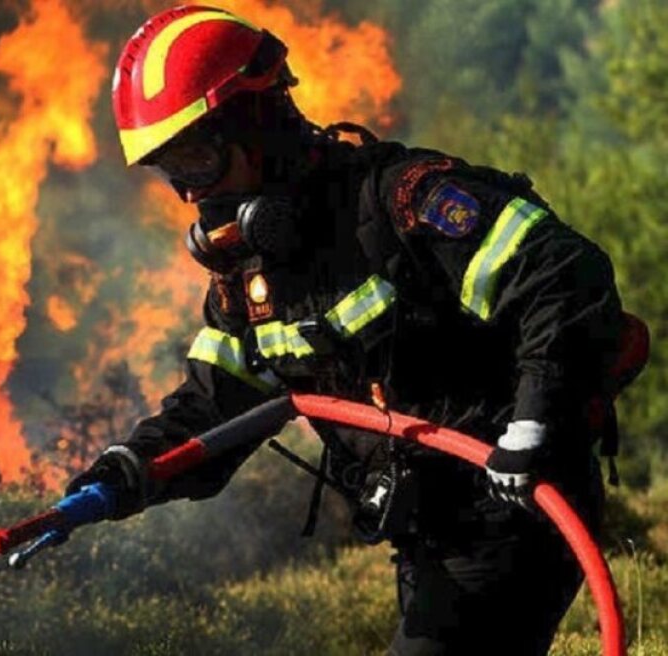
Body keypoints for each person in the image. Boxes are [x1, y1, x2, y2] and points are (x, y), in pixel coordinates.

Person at [69, 5, 644, 654]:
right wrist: (126, 471)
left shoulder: (403, 204)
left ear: (257, 122)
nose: (190, 195)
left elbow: (563, 276)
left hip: (516, 503)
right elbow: (215, 404)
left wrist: (535, 425)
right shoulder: (251, 280)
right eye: (173, 172)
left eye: (198, 161)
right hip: (430, 528)